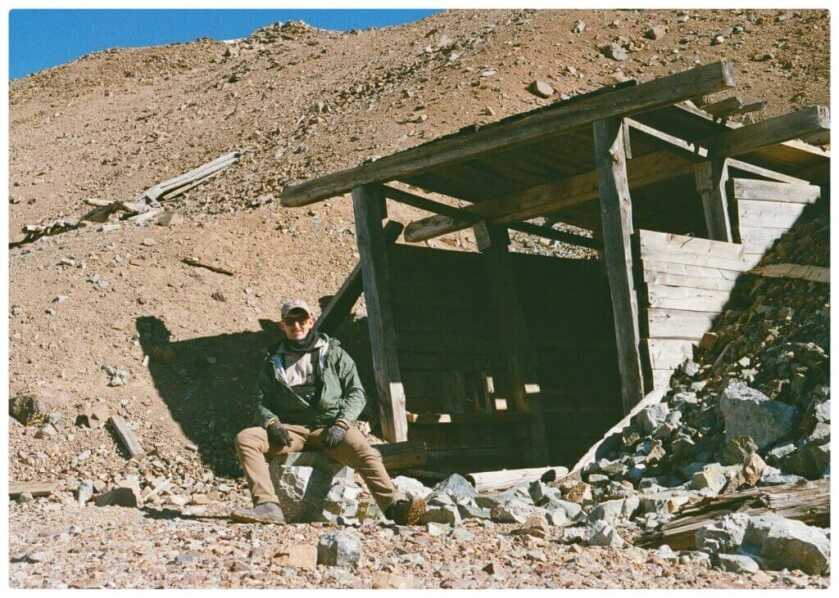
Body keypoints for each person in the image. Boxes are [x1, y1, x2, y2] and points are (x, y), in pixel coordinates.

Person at [231, 299, 425, 525]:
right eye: (290, 321)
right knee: (246, 439)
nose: (297, 326)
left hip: (331, 426)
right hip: (290, 430)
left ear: (311, 321)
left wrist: (342, 424)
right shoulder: (273, 359)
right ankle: (267, 506)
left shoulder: (334, 354)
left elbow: (356, 393)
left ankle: (395, 507)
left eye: (301, 319)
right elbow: (260, 400)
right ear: (281, 325)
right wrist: (272, 423)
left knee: (365, 451)